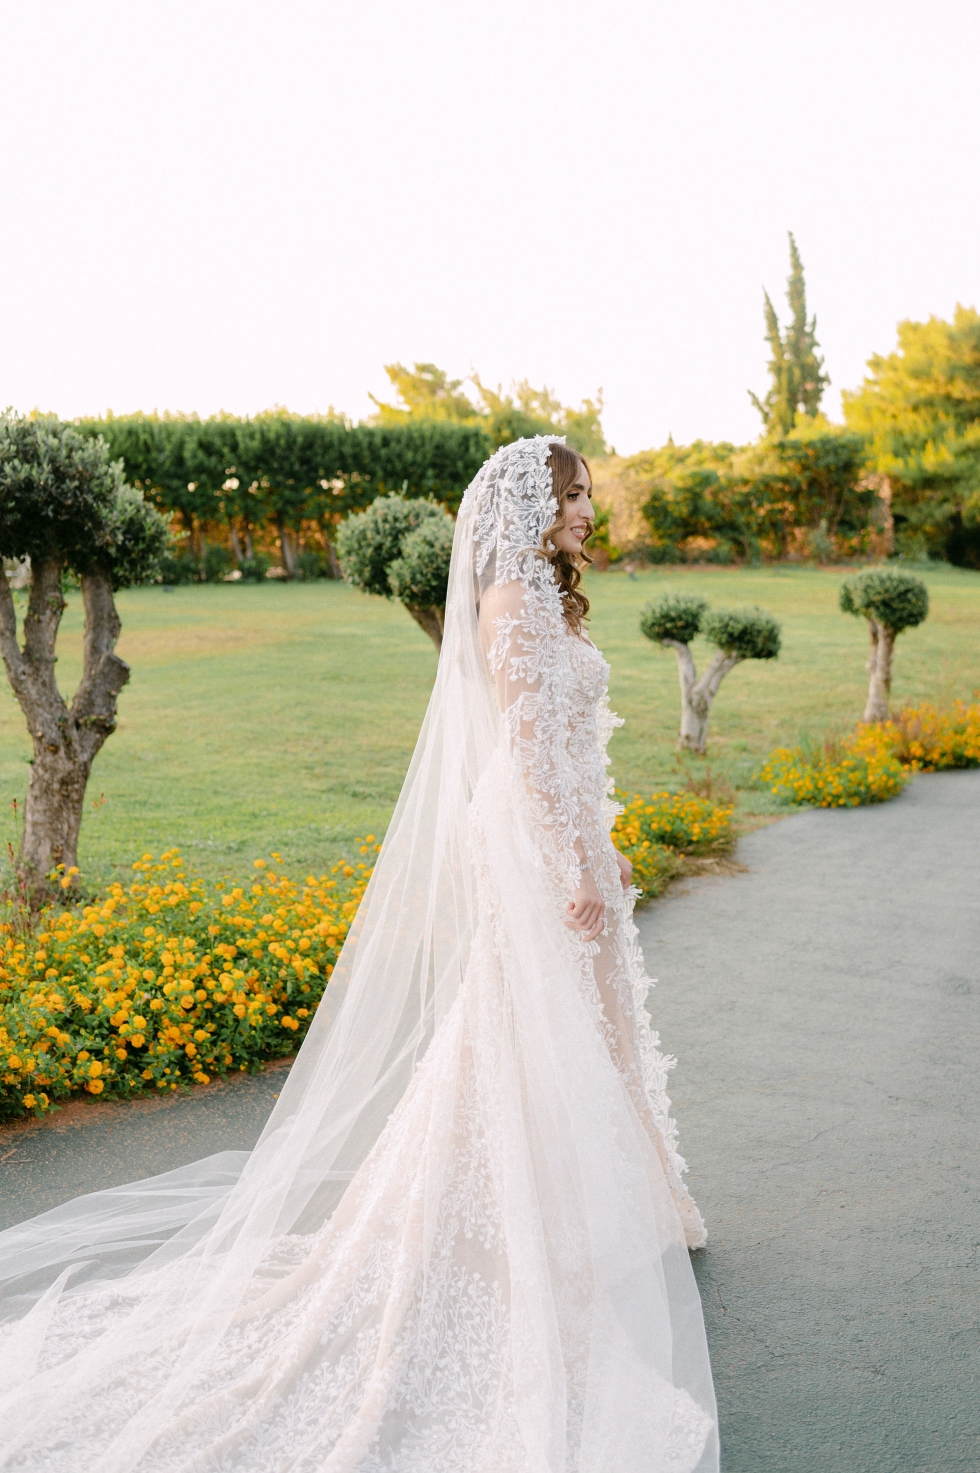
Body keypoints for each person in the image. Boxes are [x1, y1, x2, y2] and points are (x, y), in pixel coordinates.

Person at [0, 437, 717, 1471]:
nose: (585, 513)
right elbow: (521, 754)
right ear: (526, 506)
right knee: (525, 1024)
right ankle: (511, 1229)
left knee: (582, 1022)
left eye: (586, 498)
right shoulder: (512, 610)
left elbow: (562, 741)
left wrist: (591, 841)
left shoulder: (549, 601)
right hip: (535, 837)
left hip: (569, 830)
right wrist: (567, 861)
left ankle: (622, 1202)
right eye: (571, 497)